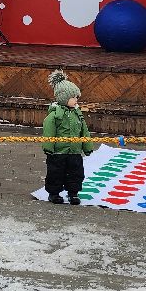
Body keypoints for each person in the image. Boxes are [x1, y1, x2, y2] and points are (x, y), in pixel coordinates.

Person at [42, 70, 94, 205]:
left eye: (77, 97)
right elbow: (48, 131)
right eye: (73, 97)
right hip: (58, 152)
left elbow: (84, 131)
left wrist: (87, 146)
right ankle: (54, 193)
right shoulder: (55, 115)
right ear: (64, 98)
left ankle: (73, 193)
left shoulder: (78, 114)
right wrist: (48, 147)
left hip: (75, 152)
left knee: (75, 173)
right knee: (55, 173)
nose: (76, 100)